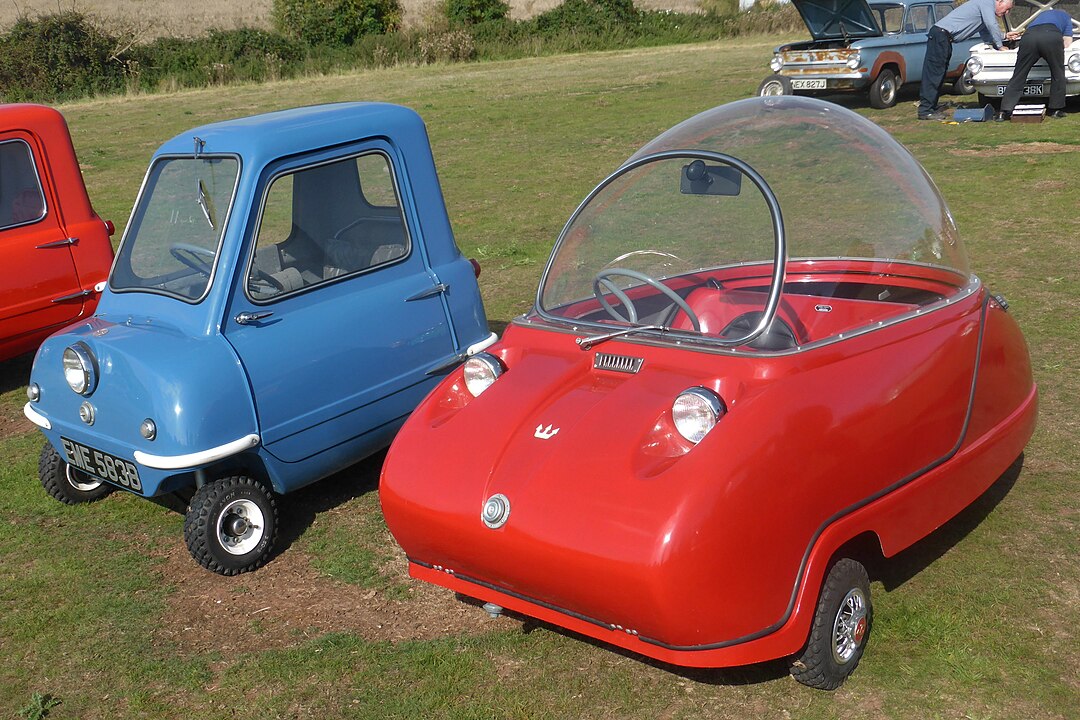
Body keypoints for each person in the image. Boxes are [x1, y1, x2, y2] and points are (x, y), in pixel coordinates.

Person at [919, 0, 1014, 120]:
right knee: (934, 73)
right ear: (999, 1)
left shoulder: (985, 9)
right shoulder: (987, 3)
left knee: (940, 73)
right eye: (1007, 9)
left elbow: (986, 34)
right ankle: (925, 111)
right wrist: (1000, 46)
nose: (1007, 12)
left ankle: (931, 106)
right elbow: (992, 25)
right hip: (940, 36)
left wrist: (1005, 36)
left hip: (944, 38)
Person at [996, 8, 1074, 120]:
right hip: (1051, 36)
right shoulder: (1066, 17)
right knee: (1058, 73)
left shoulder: (1041, 15)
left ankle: (1004, 112)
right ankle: (1055, 110)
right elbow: (1067, 42)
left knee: (1019, 74)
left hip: (1029, 37)